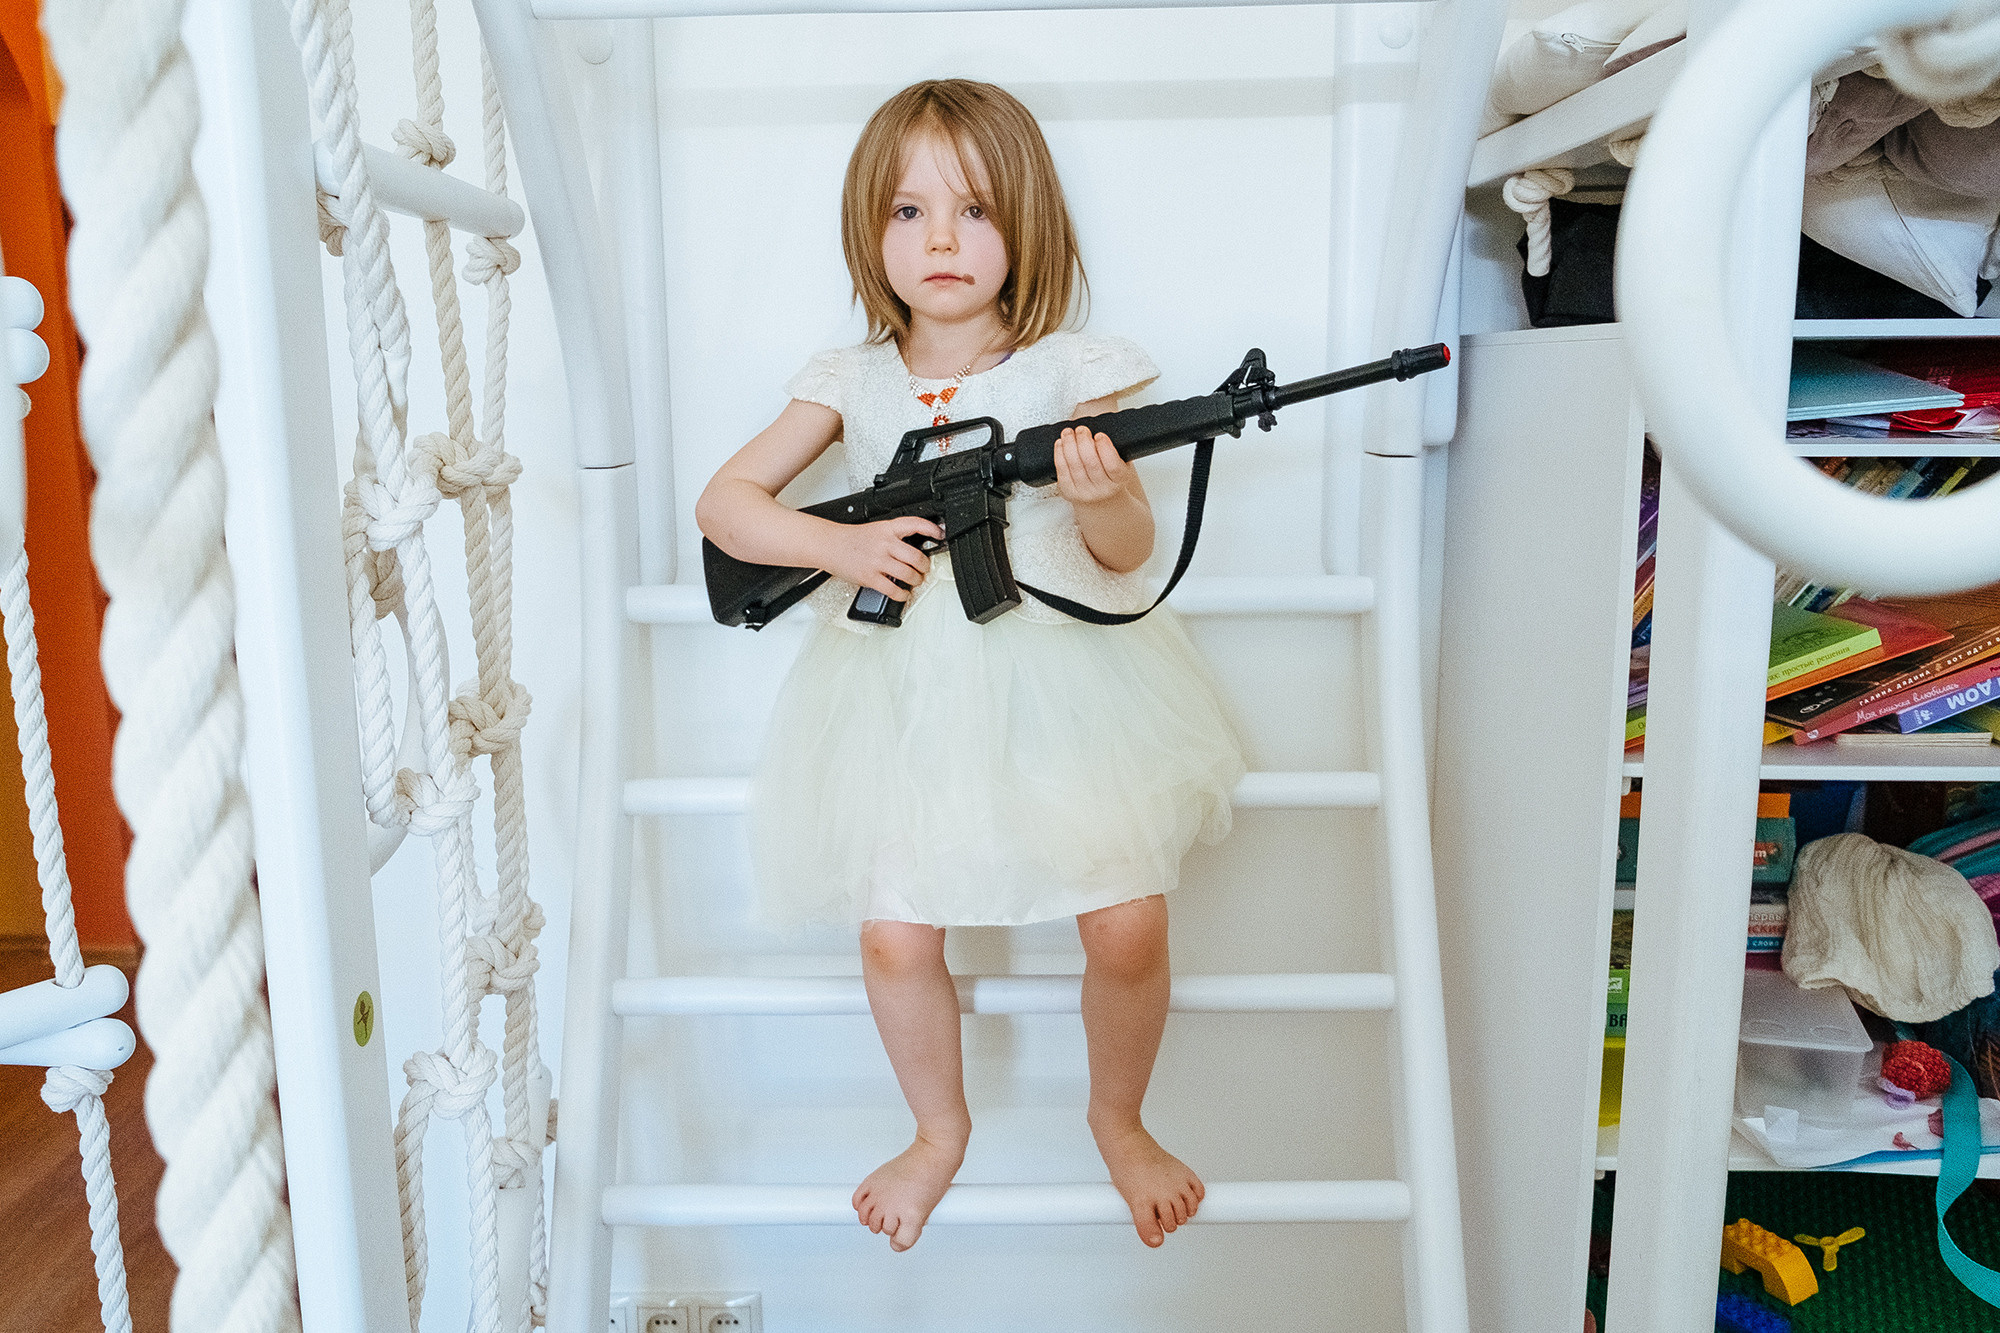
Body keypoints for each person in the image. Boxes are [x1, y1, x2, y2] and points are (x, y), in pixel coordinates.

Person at [695, 78, 1245, 1254]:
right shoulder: (847, 381)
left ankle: (1118, 1117)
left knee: (1128, 924)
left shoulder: (1066, 373)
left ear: (1027, 225)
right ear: (869, 230)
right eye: (906, 212)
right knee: (895, 936)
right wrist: (839, 543)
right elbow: (726, 506)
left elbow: (1128, 552)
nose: (940, 239)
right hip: (895, 702)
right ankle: (936, 1129)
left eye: (975, 210)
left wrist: (1102, 497)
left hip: (1065, 686)